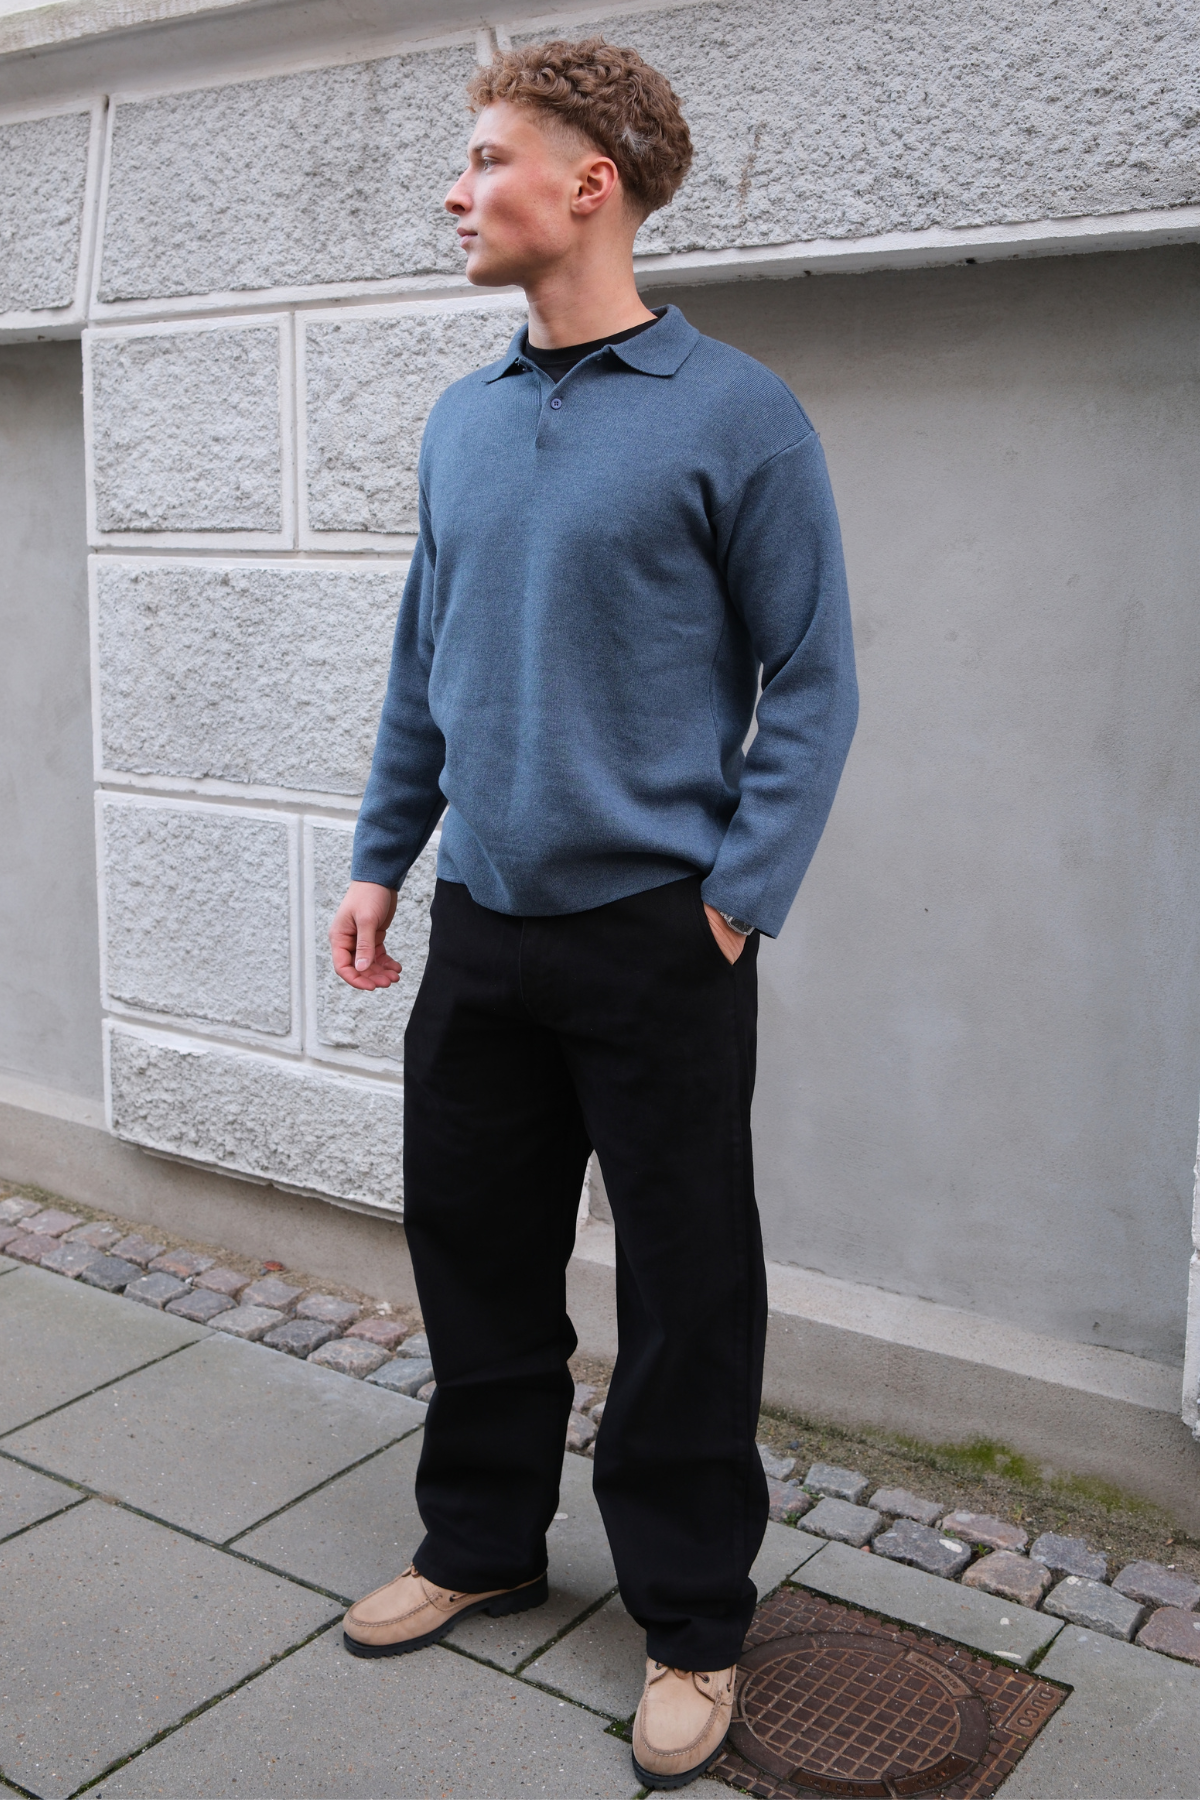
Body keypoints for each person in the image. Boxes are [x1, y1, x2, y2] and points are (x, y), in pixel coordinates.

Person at [328, 36, 857, 1791]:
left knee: (689, 1290)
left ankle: (693, 1616)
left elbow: (814, 680)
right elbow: (424, 667)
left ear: (588, 182)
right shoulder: (463, 420)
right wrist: (381, 859)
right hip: (481, 928)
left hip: (657, 938)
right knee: (474, 1256)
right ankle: (482, 1542)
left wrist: (734, 905)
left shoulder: (736, 415)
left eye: (486, 157)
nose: (456, 189)